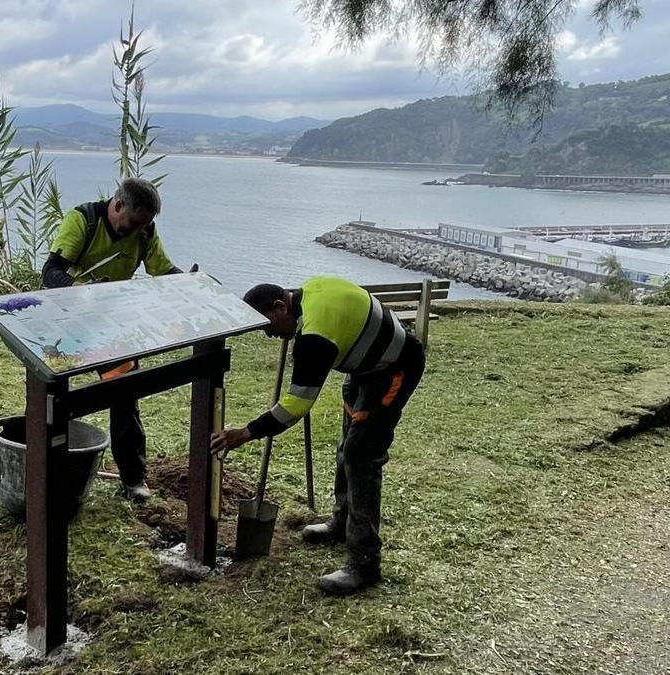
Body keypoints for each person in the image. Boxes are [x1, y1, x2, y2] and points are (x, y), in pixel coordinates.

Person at [210, 276, 426, 595]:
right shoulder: (309, 292)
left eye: (267, 325)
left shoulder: (313, 337)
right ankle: (342, 523)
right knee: (347, 449)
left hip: (394, 368)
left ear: (281, 306)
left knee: (360, 455)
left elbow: (295, 406)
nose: (268, 334)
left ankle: (364, 564)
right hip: (364, 368)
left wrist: (244, 433)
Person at [41, 177, 182, 502]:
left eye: (143, 225)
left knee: (125, 396)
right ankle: (44, 472)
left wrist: (194, 283)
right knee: (51, 400)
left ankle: (133, 479)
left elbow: (163, 270)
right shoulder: (83, 220)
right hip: (66, 327)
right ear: (117, 205)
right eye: (132, 222)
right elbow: (51, 271)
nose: (136, 231)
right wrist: (81, 293)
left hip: (111, 330)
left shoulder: (145, 231)